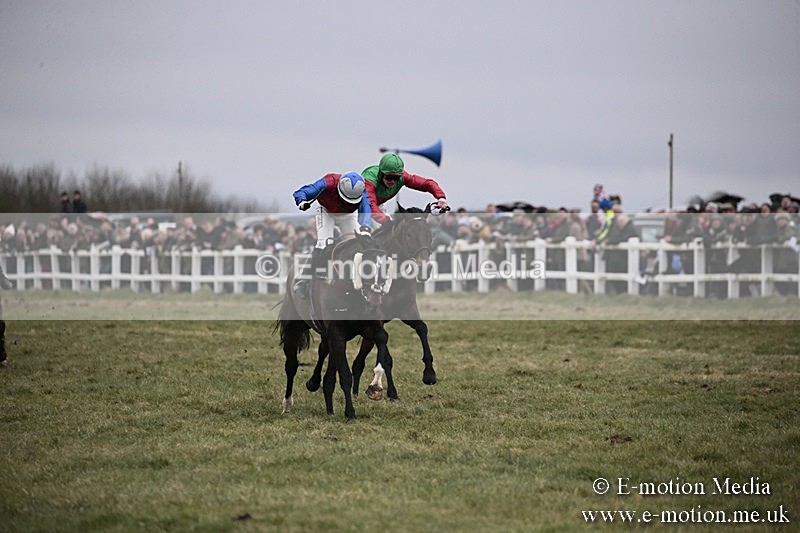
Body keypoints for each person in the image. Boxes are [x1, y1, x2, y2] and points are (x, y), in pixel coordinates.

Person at [291, 171, 372, 298]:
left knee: (362, 244)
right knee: (325, 243)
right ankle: (303, 279)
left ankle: (363, 281)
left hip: (348, 216)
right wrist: (301, 201)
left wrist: (366, 228)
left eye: (351, 201)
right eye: (345, 199)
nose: (347, 203)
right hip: (326, 211)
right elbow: (303, 192)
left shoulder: (363, 193)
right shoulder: (328, 182)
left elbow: (366, 210)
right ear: (339, 188)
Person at [361, 153, 448, 230]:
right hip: (359, 206)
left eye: (396, 178)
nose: (392, 181)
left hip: (377, 207)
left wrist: (441, 197)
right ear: (381, 173)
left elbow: (426, 183)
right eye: (389, 177)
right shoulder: (370, 180)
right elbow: (370, 204)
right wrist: (385, 220)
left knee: (390, 232)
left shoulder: (403, 177)